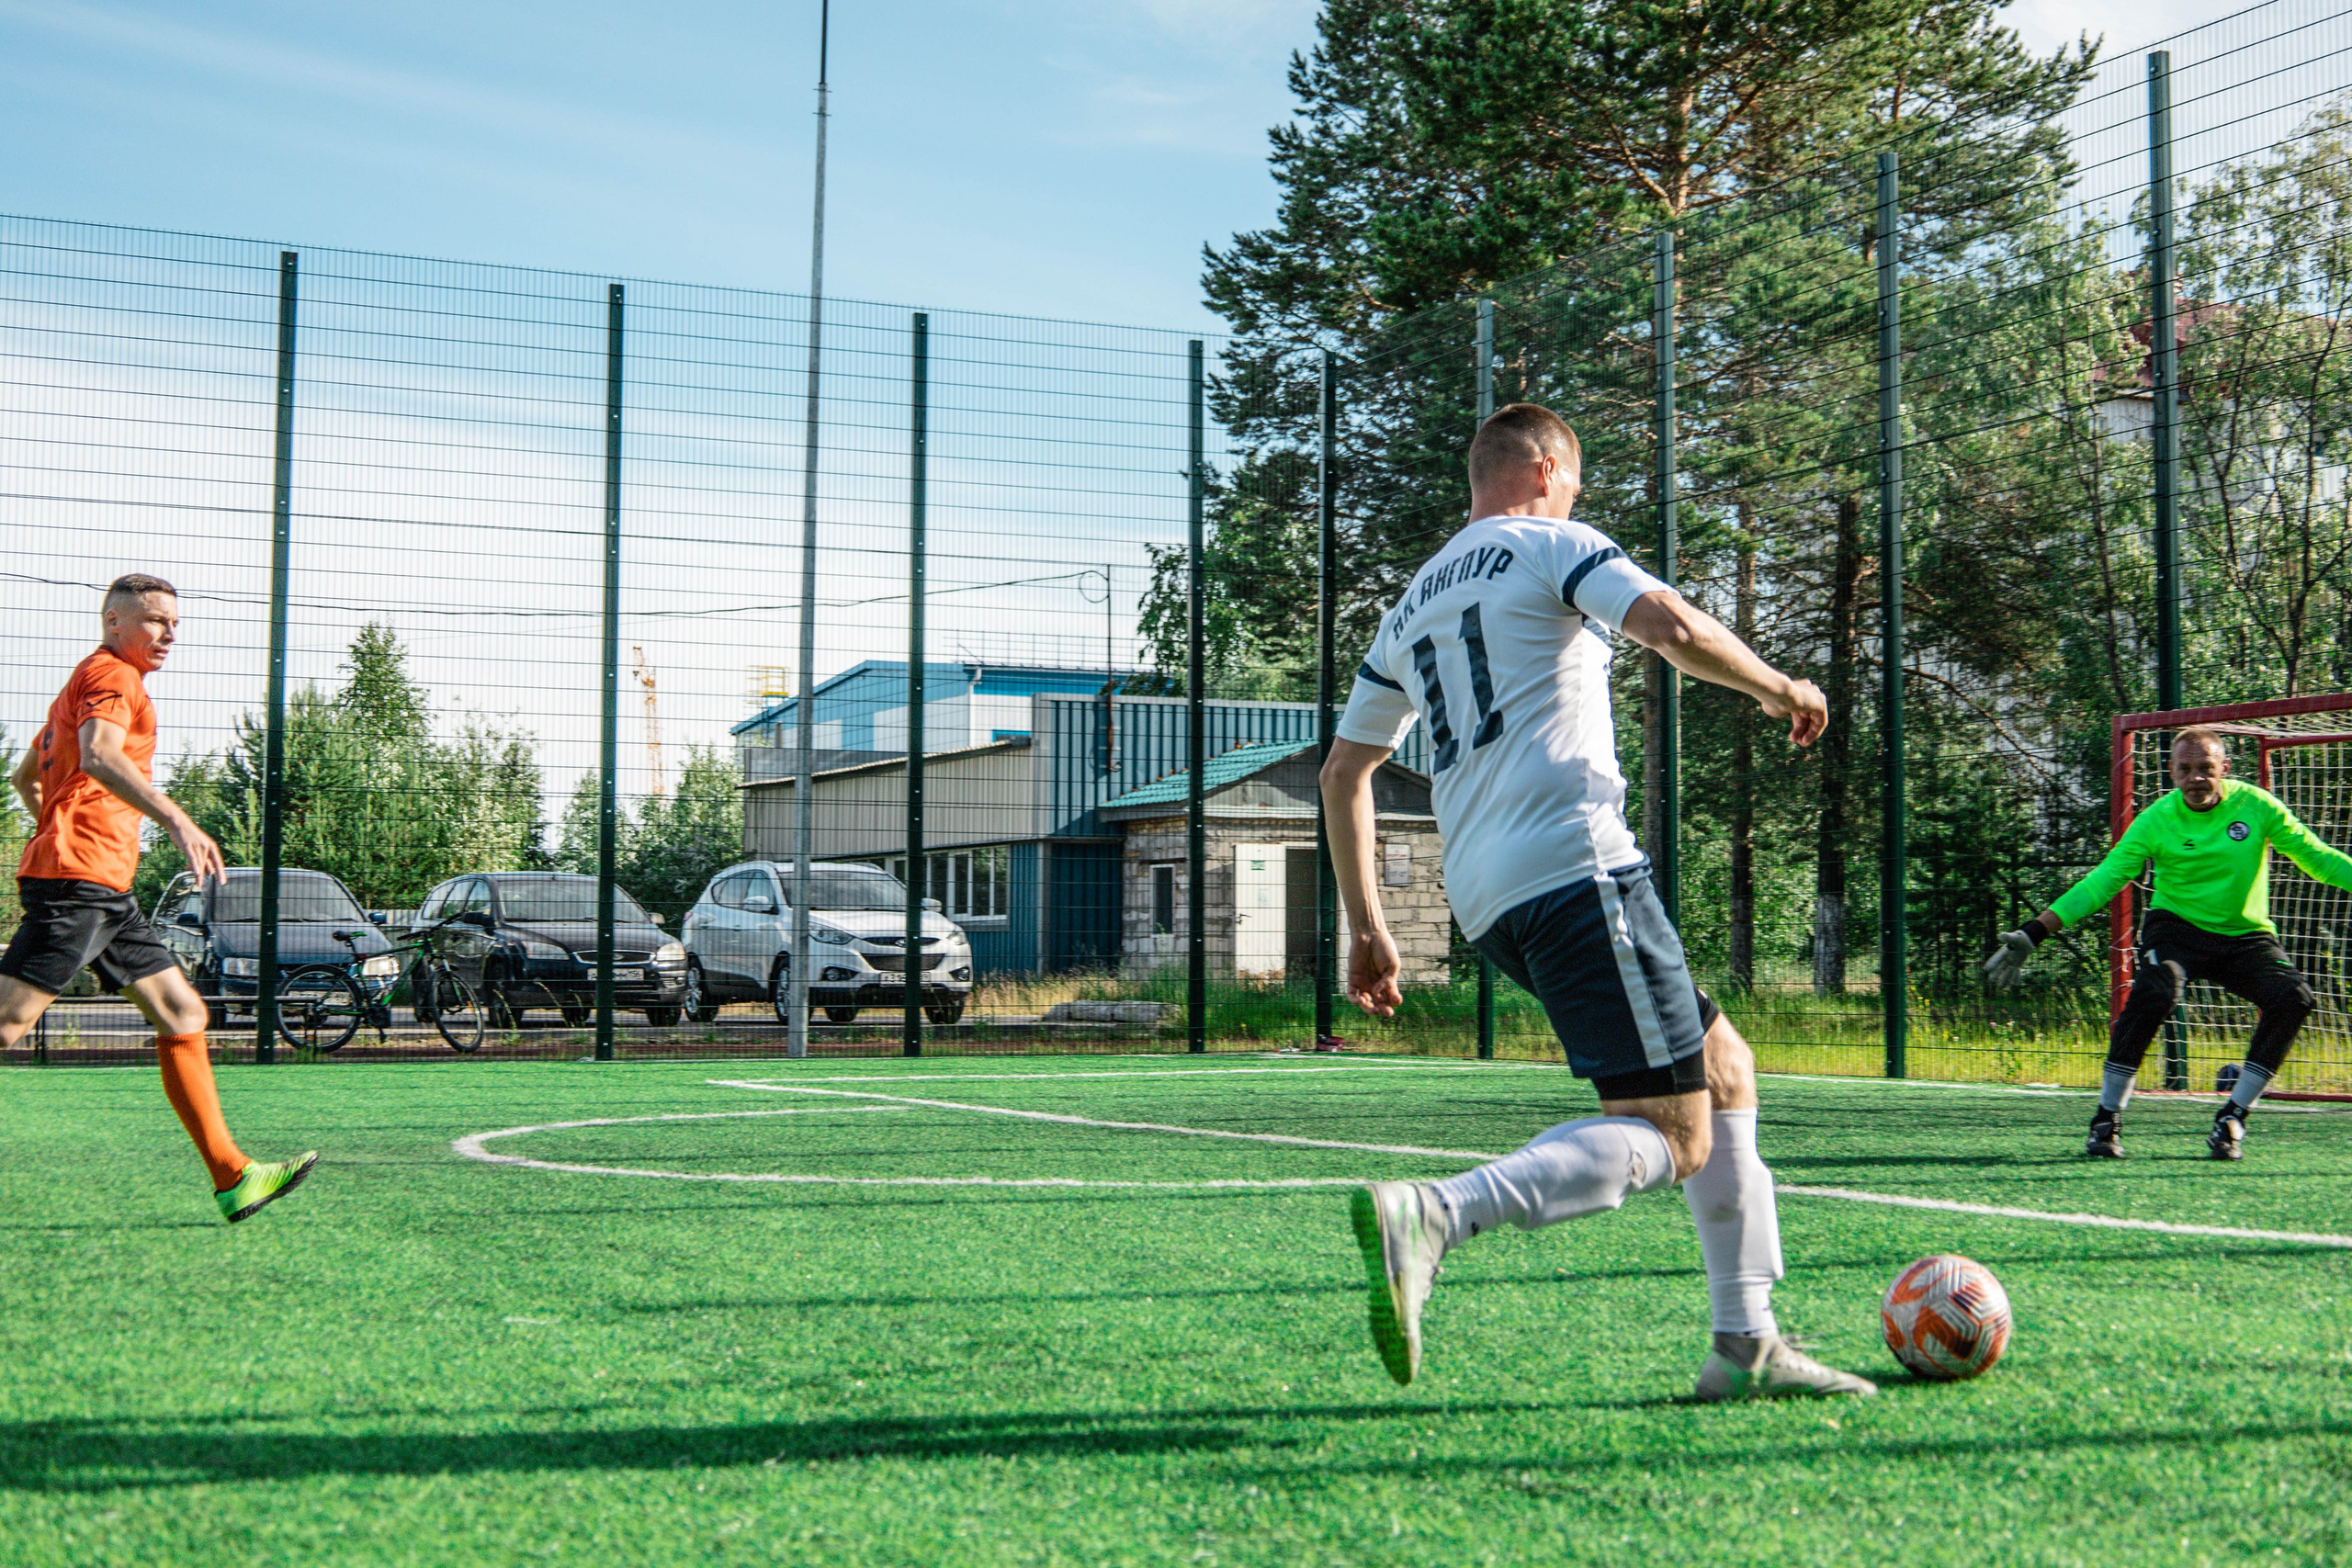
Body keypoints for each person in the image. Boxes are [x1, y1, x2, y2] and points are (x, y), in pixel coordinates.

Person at [1321, 403, 1874, 1401]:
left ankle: (1745, 1343)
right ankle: (1438, 1214)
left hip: (1487, 895)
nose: (1577, 496)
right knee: (1673, 1132)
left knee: (1724, 1066)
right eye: (1575, 480)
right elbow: (1673, 627)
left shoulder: (1408, 607)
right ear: (1545, 470)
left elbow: (1342, 773)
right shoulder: (1552, 543)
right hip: (1575, 866)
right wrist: (1779, 688)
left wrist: (1367, 925)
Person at [1, 574, 317, 1221]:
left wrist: (55, 830)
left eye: (174, 623)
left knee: (182, 1011)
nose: (169, 634)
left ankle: (235, 1176)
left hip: (102, 885)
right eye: (154, 620)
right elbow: (98, 754)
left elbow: (25, 776)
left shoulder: (83, 681)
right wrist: (176, 818)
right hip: (81, 882)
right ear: (113, 622)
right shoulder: (113, 675)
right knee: (6, 1023)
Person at [1984, 725, 2352, 1160]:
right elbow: (2104, 880)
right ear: (2172, 772)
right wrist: (2035, 930)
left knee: (2294, 998)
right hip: (2176, 930)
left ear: (2224, 768)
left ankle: (2233, 1117)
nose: (2196, 778)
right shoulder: (2156, 820)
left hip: (2245, 935)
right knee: (2157, 990)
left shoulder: (2256, 806)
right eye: (2185, 769)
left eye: (2206, 768)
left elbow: (2319, 858)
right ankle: (2106, 1119)